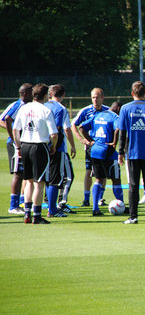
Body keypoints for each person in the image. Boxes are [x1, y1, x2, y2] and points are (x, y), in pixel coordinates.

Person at [118, 81, 145, 224]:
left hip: (132, 153)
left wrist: (120, 152)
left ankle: (133, 216)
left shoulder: (125, 109)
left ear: (132, 93)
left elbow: (122, 133)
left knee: (133, 185)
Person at [13, 84, 58, 224]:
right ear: (45, 95)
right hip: (39, 147)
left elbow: (15, 130)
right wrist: (53, 146)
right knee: (39, 183)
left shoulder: (24, 108)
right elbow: (54, 134)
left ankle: (27, 214)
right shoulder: (46, 110)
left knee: (28, 181)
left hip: (25, 145)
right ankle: (37, 216)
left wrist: (19, 146)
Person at [79, 105, 124, 216]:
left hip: (95, 151)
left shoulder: (97, 115)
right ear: (118, 109)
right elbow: (118, 129)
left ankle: (95, 208)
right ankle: (121, 204)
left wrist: (90, 141)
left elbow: (81, 127)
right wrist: (114, 143)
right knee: (116, 179)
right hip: (108, 151)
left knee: (99, 179)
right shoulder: (114, 117)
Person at [72, 88, 109, 207]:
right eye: (93, 97)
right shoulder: (86, 111)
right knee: (89, 171)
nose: (95, 100)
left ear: (102, 98)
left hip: (104, 147)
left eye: (97, 97)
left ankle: (99, 198)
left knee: (103, 173)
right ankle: (86, 199)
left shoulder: (108, 111)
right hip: (91, 147)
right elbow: (74, 125)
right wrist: (83, 140)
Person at [44, 84, 77, 217]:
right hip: (56, 147)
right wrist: (73, 146)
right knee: (57, 178)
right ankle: (53, 209)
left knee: (44, 178)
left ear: (51, 93)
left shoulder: (44, 105)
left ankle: (41, 207)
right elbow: (63, 129)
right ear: (63, 95)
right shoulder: (61, 109)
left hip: (41, 145)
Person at [1, 83, 33, 215]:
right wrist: (14, 138)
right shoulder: (18, 105)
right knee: (18, 173)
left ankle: (21, 201)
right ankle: (13, 205)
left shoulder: (26, 106)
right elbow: (5, 119)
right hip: (16, 144)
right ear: (25, 94)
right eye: (31, 92)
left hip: (24, 143)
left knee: (25, 173)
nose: (33, 94)